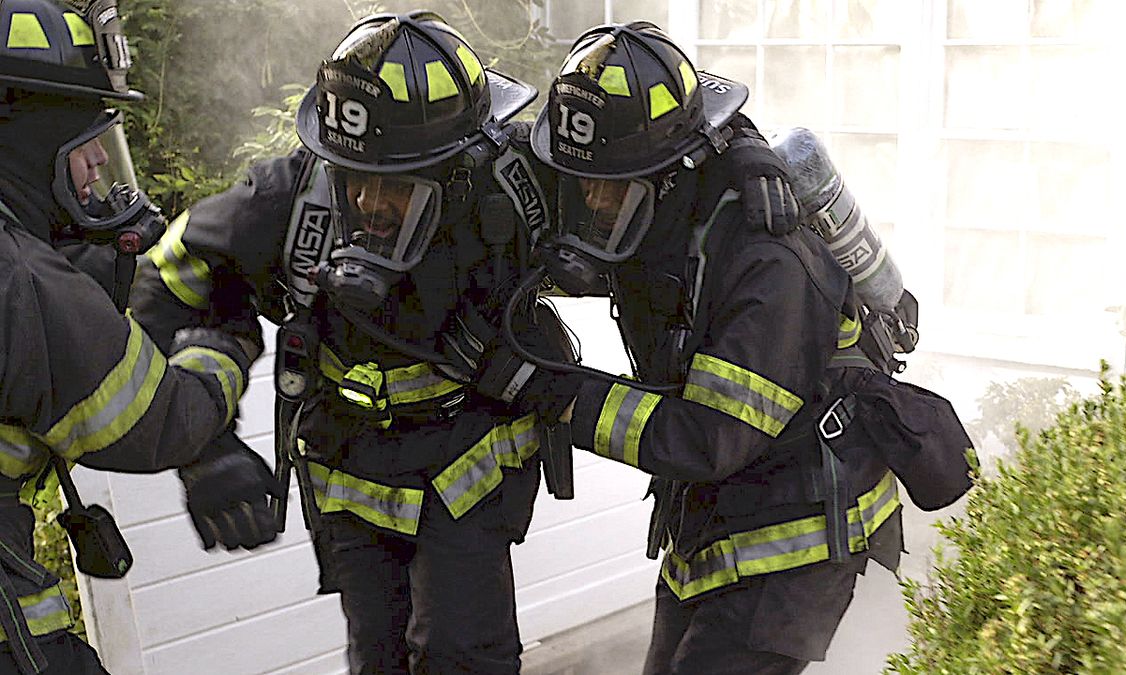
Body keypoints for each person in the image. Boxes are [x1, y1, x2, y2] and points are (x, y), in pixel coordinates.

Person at [130, 11, 574, 674]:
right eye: (352, 176)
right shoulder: (284, 200)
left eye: (397, 184)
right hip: (350, 484)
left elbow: (642, 151)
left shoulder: (508, 184)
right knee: (377, 659)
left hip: (469, 476)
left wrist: (745, 158)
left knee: (463, 653)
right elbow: (160, 286)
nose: (369, 201)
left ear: (459, 168)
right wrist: (202, 445)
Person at [523, 22, 905, 674]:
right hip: (714, 521)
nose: (592, 199)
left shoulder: (772, 261)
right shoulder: (655, 199)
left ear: (672, 172)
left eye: (612, 185)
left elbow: (705, 437)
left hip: (800, 539)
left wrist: (550, 390)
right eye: (583, 182)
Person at [0, 1, 280, 673]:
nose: (98, 164)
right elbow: (159, 420)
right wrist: (220, 341)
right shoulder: (22, 280)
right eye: (81, 138)